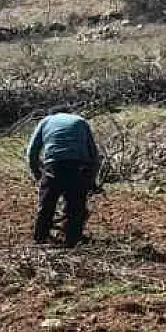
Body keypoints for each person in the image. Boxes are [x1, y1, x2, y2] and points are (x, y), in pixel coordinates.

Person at [26, 106, 100, 248]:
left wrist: (37, 175)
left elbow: (32, 152)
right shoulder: (80, 121)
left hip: (54, 166)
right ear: (69, 113)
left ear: (52, 113)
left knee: (47, 205)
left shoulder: (46, 121)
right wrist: (91, 180)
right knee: (76, 206)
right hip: (78, 166)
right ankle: (73, 240)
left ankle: (39, 239)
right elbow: (94, 154)